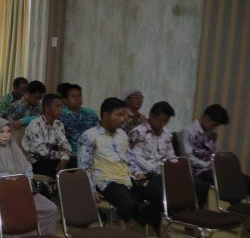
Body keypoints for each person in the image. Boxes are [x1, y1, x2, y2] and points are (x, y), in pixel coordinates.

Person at [78, 97, 162, 230]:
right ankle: (124, 225)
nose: (123, 119)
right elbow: (83, 166)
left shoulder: (122, 134)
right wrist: (91, 189)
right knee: (128, 204)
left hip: (127, 178)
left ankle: (127, 225)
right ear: (105, 115)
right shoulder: (89, 136)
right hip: (106, 181)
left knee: (160, 196)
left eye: (124, 115)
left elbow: (130, 158)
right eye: (119, 115)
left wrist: (137, 172)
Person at [0, 118, 59, 237]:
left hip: (21, 190)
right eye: (1, 132)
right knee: (17, 212)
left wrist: (17, 179)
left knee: (50, 208)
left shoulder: (14, 148)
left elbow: (28, 171)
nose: (6, 135)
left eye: (8, 131)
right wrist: (9, 177)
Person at [180, 103, 250, 207]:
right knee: (231, 180)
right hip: (197, 170)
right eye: (214, 124)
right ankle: (238, 208)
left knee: (248, 181)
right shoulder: (187, 132)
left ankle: (248, 211)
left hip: (212, 168)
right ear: (206, 117)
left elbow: (215, 154)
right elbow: (187, 157)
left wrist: (218, 164)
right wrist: (208, 165)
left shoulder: (212, 134)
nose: (214, 128)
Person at [22, 93, 75, 177]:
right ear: (47, 108)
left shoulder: (58, 124)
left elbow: (65, 144)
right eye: (57, 106)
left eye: (61, 106)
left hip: (52, 158)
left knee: (74, 161)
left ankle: (67, 188)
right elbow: (43, 151)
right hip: (35, 162)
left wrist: (64, 159)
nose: (61, 109)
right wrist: (62, 157)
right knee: (53, 165)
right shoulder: (35, 125)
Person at [129, 101, 176, 180]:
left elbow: (170, 155)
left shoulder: (167, 134)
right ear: (151, 115)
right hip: (146, 173)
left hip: (164, 172)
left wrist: (173, 166)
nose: (162, 124)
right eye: (160, 120)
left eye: (166, 122)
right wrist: (155, 169)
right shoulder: (139, 132)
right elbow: (136, 157)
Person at [61, 83, 98, 155]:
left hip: (91, 153)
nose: (77, 98)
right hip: (70, 155)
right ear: (65, 100)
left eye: (79, 95)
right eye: (73, 96)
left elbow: (98, 132)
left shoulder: (91, 113)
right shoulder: (61, 115)